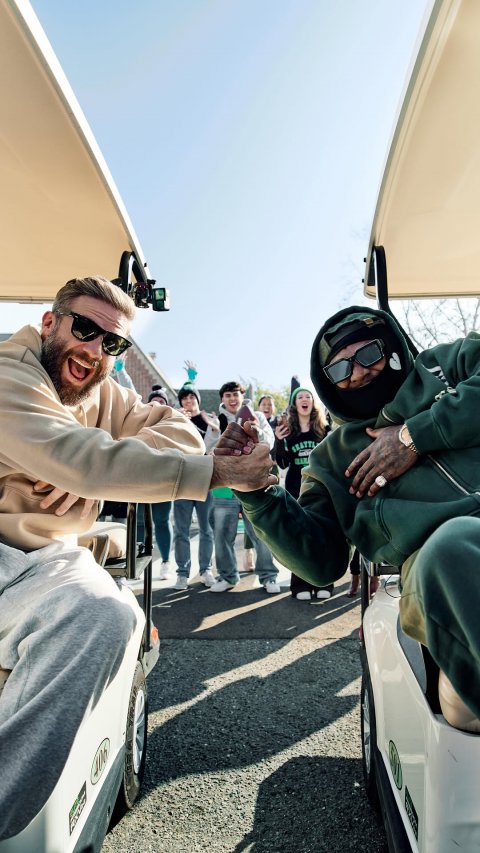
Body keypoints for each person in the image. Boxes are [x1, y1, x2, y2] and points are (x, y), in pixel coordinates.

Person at [0, 275, 275, 840]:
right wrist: (88, 467)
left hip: (50, 559)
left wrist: (93, 473)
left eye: (114, 344)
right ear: (50, 323)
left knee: (112, 614)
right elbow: (70, 453)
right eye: (86, 329)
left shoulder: (103, 389)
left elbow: (178, 431)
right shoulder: (10, 371)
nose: (97, 350)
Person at [217, 305, 480, 733]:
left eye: (368, 355)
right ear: (328, 384)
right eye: (340, 368)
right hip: (443, 564)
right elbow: (321, 562)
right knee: (453, 549)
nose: (356, 373)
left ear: (393, 347)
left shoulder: (450, 362)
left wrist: (416, 436)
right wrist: (257, 494)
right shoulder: (332, 458)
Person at [210, 381, 281, 594]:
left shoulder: (256, 416)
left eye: (236, 395)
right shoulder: (217, 420)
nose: (232, 399)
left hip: (253, 486)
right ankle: (228, 576)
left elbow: (270, 442)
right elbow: (205, 449)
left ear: (242, 397)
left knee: (261, 533)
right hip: (224, 488)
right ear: (222, 398)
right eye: (228, 395)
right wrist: (217, 434)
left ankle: (268, 576)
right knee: (222, 535)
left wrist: (258, 432)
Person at [274, 387, 333, 601]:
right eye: (300, 397)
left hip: (320, 488)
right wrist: (278, 441)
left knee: (323, 534)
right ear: (294, 404)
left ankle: (324, 581)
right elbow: (281, 463)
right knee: (298, 536)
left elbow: (331, 459)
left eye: (308, 396)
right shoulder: (288, 431)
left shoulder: (324, 429)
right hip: (295, 489)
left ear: (313, 402)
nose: (304, 399)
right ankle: (299, 584)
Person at [173, 382, 218, 589]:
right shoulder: (175, 420)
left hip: (204, 481)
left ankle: (205, 570)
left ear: (198, 400)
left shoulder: (209, 420)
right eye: (185, 398)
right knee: (181, 530)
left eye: (192, 398)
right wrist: (177, 420)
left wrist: (213, 427)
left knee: (206, 529)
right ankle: (182, 573)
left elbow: (209, 447)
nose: (189, 401)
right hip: (182, 481)